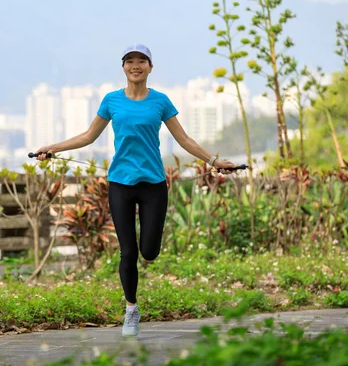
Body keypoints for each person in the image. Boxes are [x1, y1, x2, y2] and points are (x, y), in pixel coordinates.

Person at [34, 44, 236, 337]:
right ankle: (131, 310)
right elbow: (89, 136)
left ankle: (147, 260)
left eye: (142, 60)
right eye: (130, 61)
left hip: (153, 184)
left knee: (149, 251)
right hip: (120, 184)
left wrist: (215, 161)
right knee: (128, 253)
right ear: (124, 67)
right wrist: (52, 147)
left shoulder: (161, 101)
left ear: (150, 67)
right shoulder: (111, 100)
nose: (136, 65)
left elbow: (184, 139)